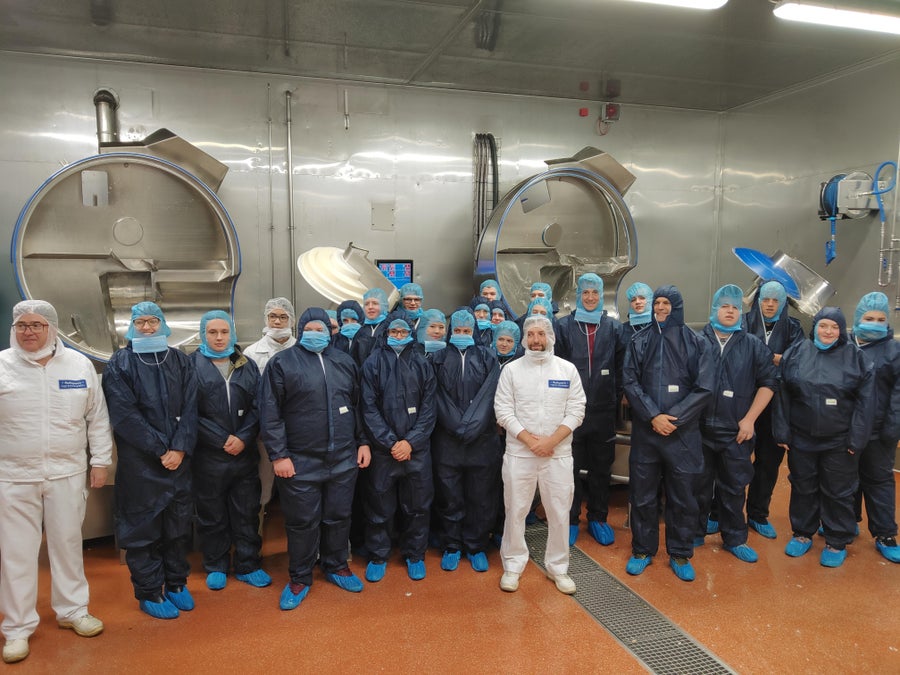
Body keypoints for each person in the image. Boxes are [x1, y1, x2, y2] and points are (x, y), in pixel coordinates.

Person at [0, 301, 112, 664]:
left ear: (52, 328)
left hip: (67, 473)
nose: (28, 331)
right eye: (22, 325)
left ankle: (73, 610)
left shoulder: (78, 365)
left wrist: (101, 461)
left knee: (67, 544)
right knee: (17, 553)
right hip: (14, 477)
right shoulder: (2, 366)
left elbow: (97, 417)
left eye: (37, 325)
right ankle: (17, 628)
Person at [259, 308, 371, 609]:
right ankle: (300, 576)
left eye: (320, 328)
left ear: (329, 332)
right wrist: (279, 455)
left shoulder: (344, 362)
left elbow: (357, 406)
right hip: (300, 461)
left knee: (339, 516)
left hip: (343, 458)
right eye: (309, 329)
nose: (315, 334)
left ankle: (336, 565)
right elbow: (270, 412)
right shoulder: (282, 363)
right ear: (300, 330)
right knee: (302, 522)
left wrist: (362, 442)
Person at [103, 302, 198, 619]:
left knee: (177, 527)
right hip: (142, 465)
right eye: (140, 322)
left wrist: (180, 448)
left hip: (178, 462)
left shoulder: (180, 361)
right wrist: (160, 449)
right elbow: (125, 416)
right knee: (143, 531)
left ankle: (176, 583)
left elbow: (192, 407)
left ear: (163, 324)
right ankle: (149, 592)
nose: (146, 327)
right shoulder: (120, 363)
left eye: (152, 321)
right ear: (131, 326)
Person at [623, 285, 714, 582]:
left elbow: (704, 387)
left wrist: (674, 419)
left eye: (666, 303)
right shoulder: (639, 340)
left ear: (677, 306)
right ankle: (642, 550)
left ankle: (680, 552)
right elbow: (630, 382)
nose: (660, 308)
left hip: (682, 435)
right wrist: (653, 416)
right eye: (657, 303)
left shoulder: (696, 343)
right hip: (647, 433)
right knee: (643, 494)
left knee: (683, 495)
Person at [774, 307, 874, 567]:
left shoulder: (856, 358)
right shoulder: (797, 352)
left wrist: (857, 439)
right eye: (823, 326)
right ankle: (802, 533)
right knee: (803, 485)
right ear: (815, 327)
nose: (828, 331)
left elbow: (865, 403)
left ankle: (836, 539)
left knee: (838, 490)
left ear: (841, 330)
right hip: (802, 437)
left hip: (839, 440)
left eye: (834, 327)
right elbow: (783, 393)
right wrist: (782, 430)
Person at [494, 315, 586, 595]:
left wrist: (551, 441)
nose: (536, 340)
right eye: (531, 334)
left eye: (541, 334)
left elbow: (577, 410)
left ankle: (558, 568)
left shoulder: (567, 370)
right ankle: (513, 565)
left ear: (550, 337)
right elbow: (503, 410)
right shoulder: (512, 370)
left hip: (557, 454)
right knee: (516, 510)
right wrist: (529, 441)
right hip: (520, 454)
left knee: (559, 511)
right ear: (524, 338)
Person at [696, 285, 776, 563]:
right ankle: (694, 532)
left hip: (736, 432)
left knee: (733, 487)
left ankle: (735, 538)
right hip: (700, 430)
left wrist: (750, 419)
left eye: (735, 307)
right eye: (724, 306)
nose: (730, 311)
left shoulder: (752, 345)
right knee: (697, 486)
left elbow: (768, 383)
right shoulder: (697, 341)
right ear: (714, 309)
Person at [191, 311, 270, 591]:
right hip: (208, 456)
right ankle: (216, 565)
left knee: (247, 511)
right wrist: (220, 438)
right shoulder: (190, 365)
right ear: (203, 334)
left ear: (232, 333)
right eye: (212, 332)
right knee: (212, 513)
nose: (219, 338)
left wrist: (244, 437)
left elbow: (260, 405)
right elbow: (187, 411)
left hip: (244, 455)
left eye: (224, 332)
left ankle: (248, 564)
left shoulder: (246, 364)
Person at [360, 315, 437, 582]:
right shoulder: (373, 363)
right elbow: (368, 408)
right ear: (386, 333)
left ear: (411, 334)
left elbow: (429, 409)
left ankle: (415, 555)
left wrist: (410, 442)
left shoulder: (422, 363)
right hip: (384, 451)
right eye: (394, 331)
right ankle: (378, 555)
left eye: (403, 332)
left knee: (418, 506)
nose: (399, 336)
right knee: (379, 506)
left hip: (416, 450)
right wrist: (390, 442)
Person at [555, 273, 625, 547]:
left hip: (603, 411)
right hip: (570, 412)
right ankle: (571, 519)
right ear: (578, 295)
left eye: (595, 292)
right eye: (586, 292)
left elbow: (620, 368)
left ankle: (598, 517)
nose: (591, 297)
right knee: (569, 468)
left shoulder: (613, 328)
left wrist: (612, 398)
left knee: (601, 468)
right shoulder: (563, 327)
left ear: (601, 295)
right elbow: (557, 367)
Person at [432, 309, 501, 573]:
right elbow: (437, 397)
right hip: (447, 442)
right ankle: (452, 545)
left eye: (466, 331)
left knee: (480, 496)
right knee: (449, 496)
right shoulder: (437, 359)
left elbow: (489, 395)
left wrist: (472, 425)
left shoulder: (488, 357)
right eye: (458, 331)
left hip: (481, 441)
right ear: (451, 331)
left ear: (474, 331)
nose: (462, 335)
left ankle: (476, 546)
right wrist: (457, 425)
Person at [743, 280, 804, 539]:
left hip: (777, 406)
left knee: (768, 463)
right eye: (765, 299)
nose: (769, 304)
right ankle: (718, 511)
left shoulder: (793, 328)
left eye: (775, 300)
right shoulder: (744, 322)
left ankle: (758, 514)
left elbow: (798, 362)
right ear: (758, 300)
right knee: (732, 461)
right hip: (744, 403)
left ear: (783, 303)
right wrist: (777, 358)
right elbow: (738, 355)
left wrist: (768, 357)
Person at [850, 293, 900, 563]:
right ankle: (846, 522)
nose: (875, 323)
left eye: (881, 319)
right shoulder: (845, 345)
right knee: (846, 480)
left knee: (879, 481)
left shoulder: (893, 351)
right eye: (869, 318)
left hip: (879, 431)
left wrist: (892, 429)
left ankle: (885, 534)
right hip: (848, 429)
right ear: (859, 318)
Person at [243, 298, 298, 519]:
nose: (277, 321)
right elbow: (247, 395)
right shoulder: (251, 352)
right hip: (264, 432)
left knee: (297, 488)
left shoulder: (300, 349)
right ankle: (259, 528)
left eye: (283, 317)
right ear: (266, 319)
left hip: (297, 431)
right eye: (273, 316)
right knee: (263, 486)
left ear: (292, 320)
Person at [352, 287, 390, 367]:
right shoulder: (360, 331)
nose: (370, 307)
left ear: (384, 305)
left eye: (375, 303)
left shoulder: (390, 328)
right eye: (366, 304)